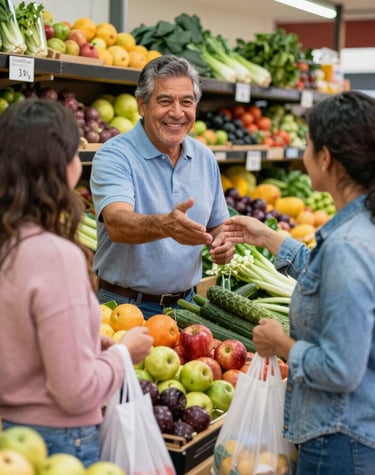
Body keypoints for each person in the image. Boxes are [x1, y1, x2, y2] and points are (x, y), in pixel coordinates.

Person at [223, 90, 375, 474]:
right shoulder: (360, 229)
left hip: (339, 438)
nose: (304, 154)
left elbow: (340, 368)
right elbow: (331, 282)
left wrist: (281, 343)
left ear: (326, 158)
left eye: (307, 146)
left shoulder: (349, 245)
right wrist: (270, 238)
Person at [0, 98, 153, 467]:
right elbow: (75, 392)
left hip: (11, 438)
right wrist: (122, 353)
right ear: (61, 167)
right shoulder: (55, 256)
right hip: (58, 441)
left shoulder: (9, 241)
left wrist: (85, 340)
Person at [90, 54, 234, 319]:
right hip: (125, 306)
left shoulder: (204, 157)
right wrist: (165, 226)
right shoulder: (115, 155)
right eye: (165, 101)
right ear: (142, 105)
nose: (177, 113)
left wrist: (221, 242)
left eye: (187, 102)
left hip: (189, 307)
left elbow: (216, 225)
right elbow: (117, 224)